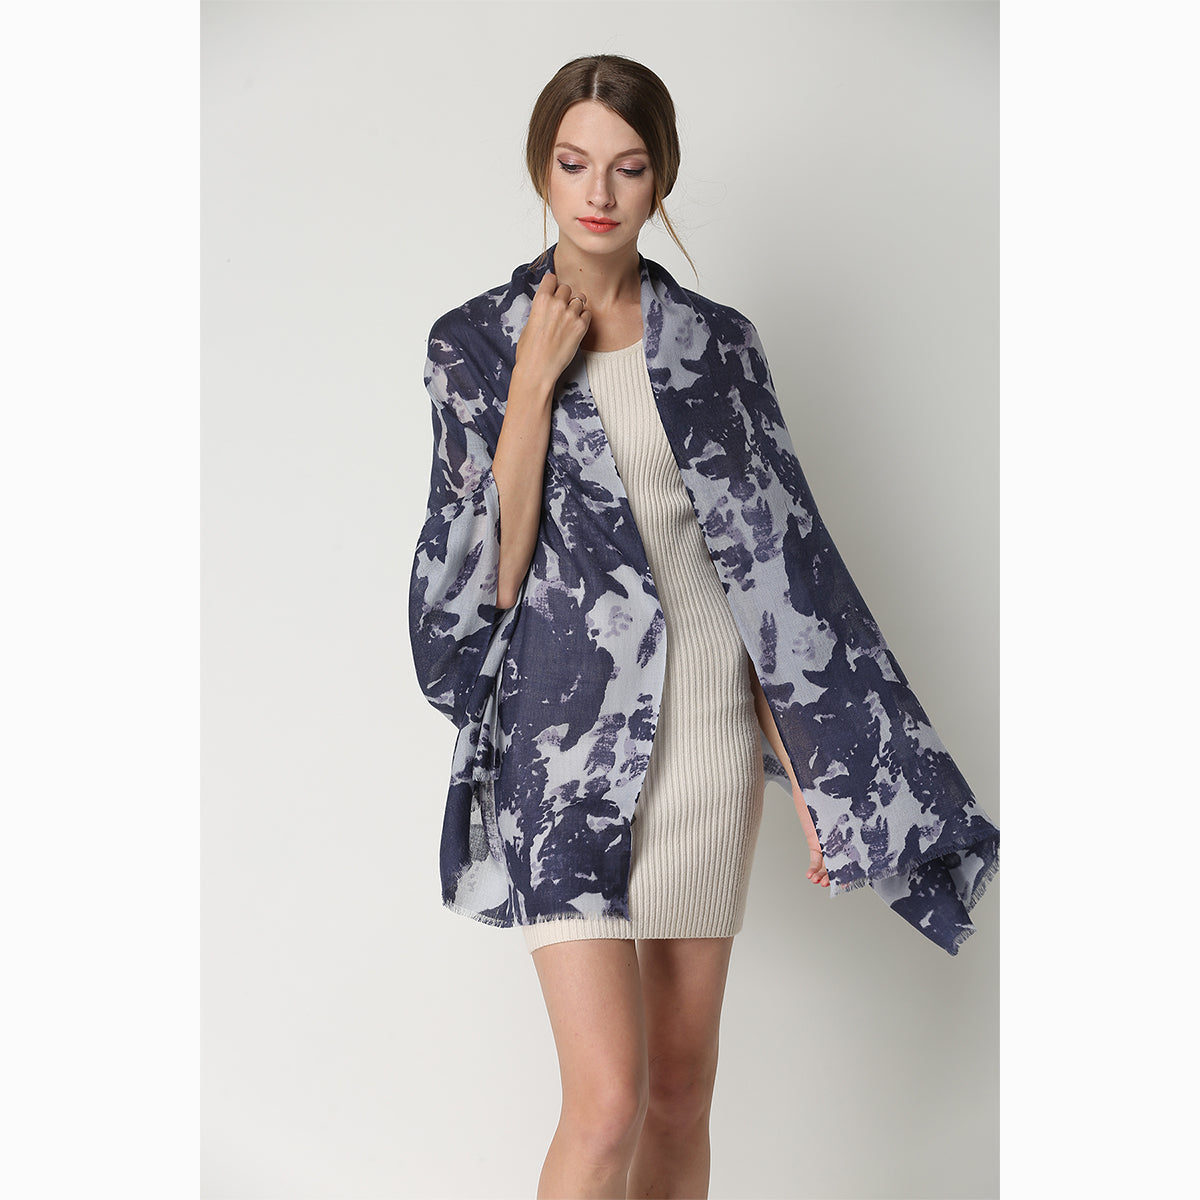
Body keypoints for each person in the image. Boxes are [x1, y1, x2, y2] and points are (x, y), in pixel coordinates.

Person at [409, 53, 997, 1200]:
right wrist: (531, 386)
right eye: (574, 163)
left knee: (679, 1095)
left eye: (628, 168)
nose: (598, 192)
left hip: (706, 745)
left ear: (663, 176)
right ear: (541, 167)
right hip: (565, 751)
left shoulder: (719, 349)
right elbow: (489, 578)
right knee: (606, 1105)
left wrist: (822, 779)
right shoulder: (472, 342)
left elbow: (779, 585)